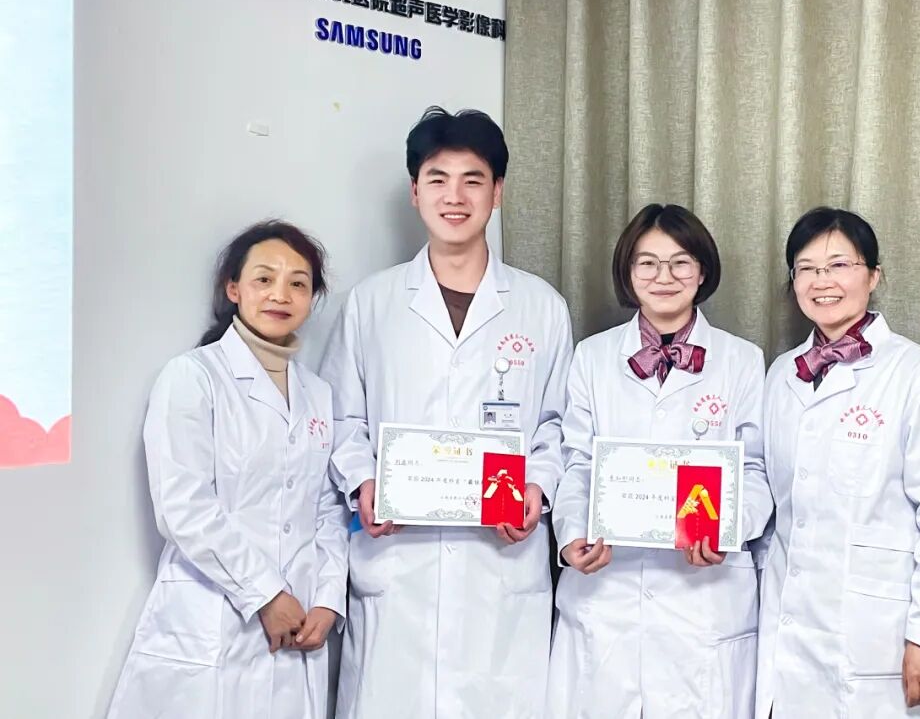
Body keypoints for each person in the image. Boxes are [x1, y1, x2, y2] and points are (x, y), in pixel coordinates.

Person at [320, 107, 574, 719]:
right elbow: (342, 420)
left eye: (472, 180)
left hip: (500, 566)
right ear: (415, 192)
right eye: (437, 179)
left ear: (498, 192)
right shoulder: (372, 304)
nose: (454, 197)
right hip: (397, 565)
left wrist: (538, 488)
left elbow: (558, 426)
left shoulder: (541, 306)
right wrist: (363, 482)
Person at [108, 221, 350, 719]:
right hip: (212, 618)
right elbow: (183, 506)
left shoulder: (318, 394)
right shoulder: (193, 377)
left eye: (298, 283)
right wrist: (265, 594)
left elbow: (327, 508)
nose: (280, 294)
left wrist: (328, 599)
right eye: (264, 279)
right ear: (233, 289)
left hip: (299, 623)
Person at [755, 207, 920, 718]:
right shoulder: (781, 376)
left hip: (882, 637)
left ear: (873, 276)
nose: (822, 281)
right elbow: (775, 507)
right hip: (793, 636)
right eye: (807, 268)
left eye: (840, 265)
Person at [547, 203, 772, 718]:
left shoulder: (741, 360)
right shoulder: (592, 357)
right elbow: (577, 463)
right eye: (647, 263)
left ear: (703, 271)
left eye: (680, 263)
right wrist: (572, 534)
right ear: (628, 272)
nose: (664, 277)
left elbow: (756, 471)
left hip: (703, 601)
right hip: (607, 595)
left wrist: (727, 528)